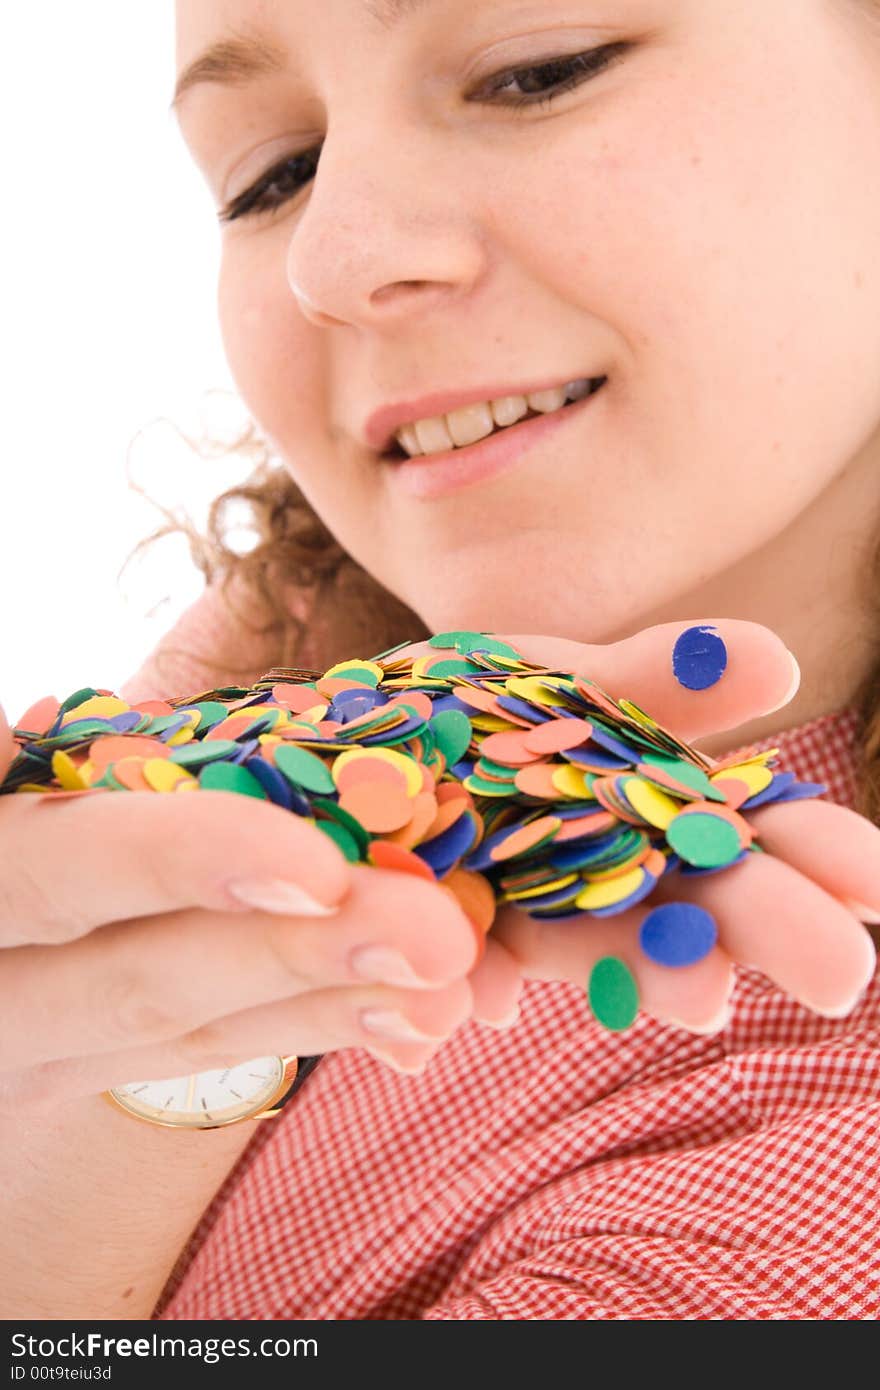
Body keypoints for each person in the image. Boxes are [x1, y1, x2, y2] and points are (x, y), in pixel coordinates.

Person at [1, 0, 879, 1320]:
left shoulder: (807, 1207)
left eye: (538, 70)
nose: (332, 256)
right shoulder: (268, 689)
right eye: (271, 174)